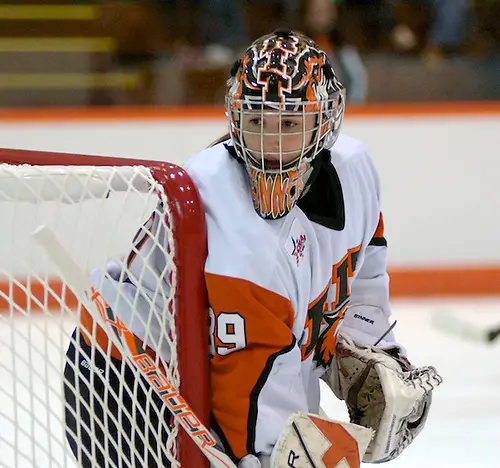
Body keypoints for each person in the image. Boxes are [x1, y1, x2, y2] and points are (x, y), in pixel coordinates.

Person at [63, 30, 441, 467]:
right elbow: (250, 404)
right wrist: (270, 458)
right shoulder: (240, 233)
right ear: (234, 119)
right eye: (257, 121)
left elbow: (365, 275)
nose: (272, 147)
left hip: (221, 371)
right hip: (127, 386)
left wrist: (376, 349)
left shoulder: (356, 171)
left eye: (290, 124)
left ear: (325, 123)